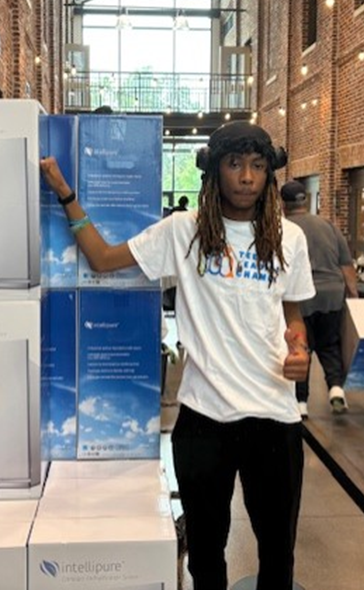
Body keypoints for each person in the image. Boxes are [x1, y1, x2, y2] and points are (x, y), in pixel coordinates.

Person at [40, 120, 315, 590]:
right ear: (214, 172)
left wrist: (301, 348)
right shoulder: (183, 232)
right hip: (204, 419)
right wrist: (66, 194)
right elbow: (103, 259)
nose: (247, 177)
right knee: (206, 554)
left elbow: (292, 313)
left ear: (270, 173)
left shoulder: (290, 239)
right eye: (234, 164)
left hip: (274, 417)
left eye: (256, 165)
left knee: (277, 554)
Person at [281, 180, 358, 418]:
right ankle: (336, 390)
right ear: (306, 201)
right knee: (330, 345)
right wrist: (353, 295)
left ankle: (301, 403)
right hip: (332, 296)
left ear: (283, 204)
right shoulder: (328, 226)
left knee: (299, 347)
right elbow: (346, 266)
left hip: (299, 298)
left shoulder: (283, 228)